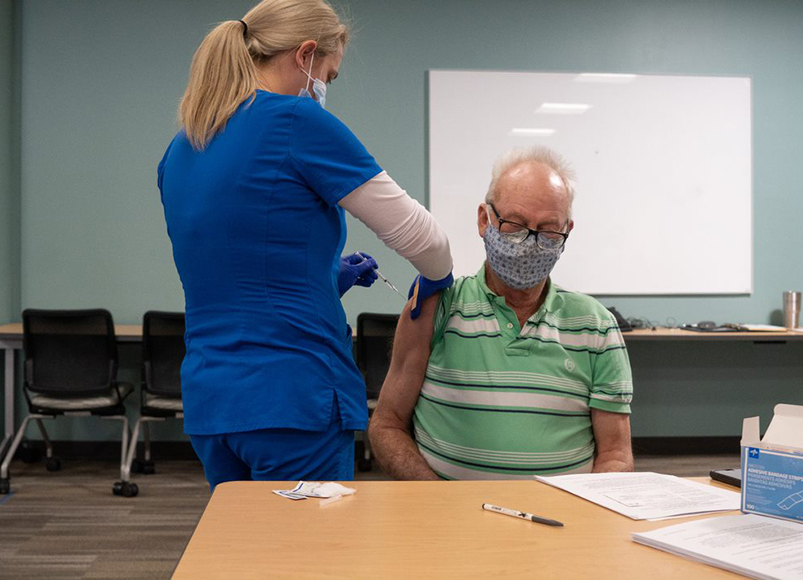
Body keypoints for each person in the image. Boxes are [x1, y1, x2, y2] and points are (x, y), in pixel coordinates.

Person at [157, 0, 452, 489]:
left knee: (239, 555)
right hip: (292, 397)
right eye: (329, 76)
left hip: (213, 401)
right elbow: (419, 234)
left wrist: (327, 279)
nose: (324, 90)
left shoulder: (184, 145)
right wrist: (438, 278)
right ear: (306, 54)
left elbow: (233, 270)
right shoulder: (296, 119)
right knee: (306, 558)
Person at [369, 146, 633, 480]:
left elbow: (615, 455)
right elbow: (387, 425)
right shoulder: (436, 308)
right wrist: (437, 498)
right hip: (451, 523)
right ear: (485, 220)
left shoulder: (597, 327)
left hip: (561, 524)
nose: (530, 243)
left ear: (567, 232)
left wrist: (585, 519)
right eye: (515, 225)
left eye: (549, 230)